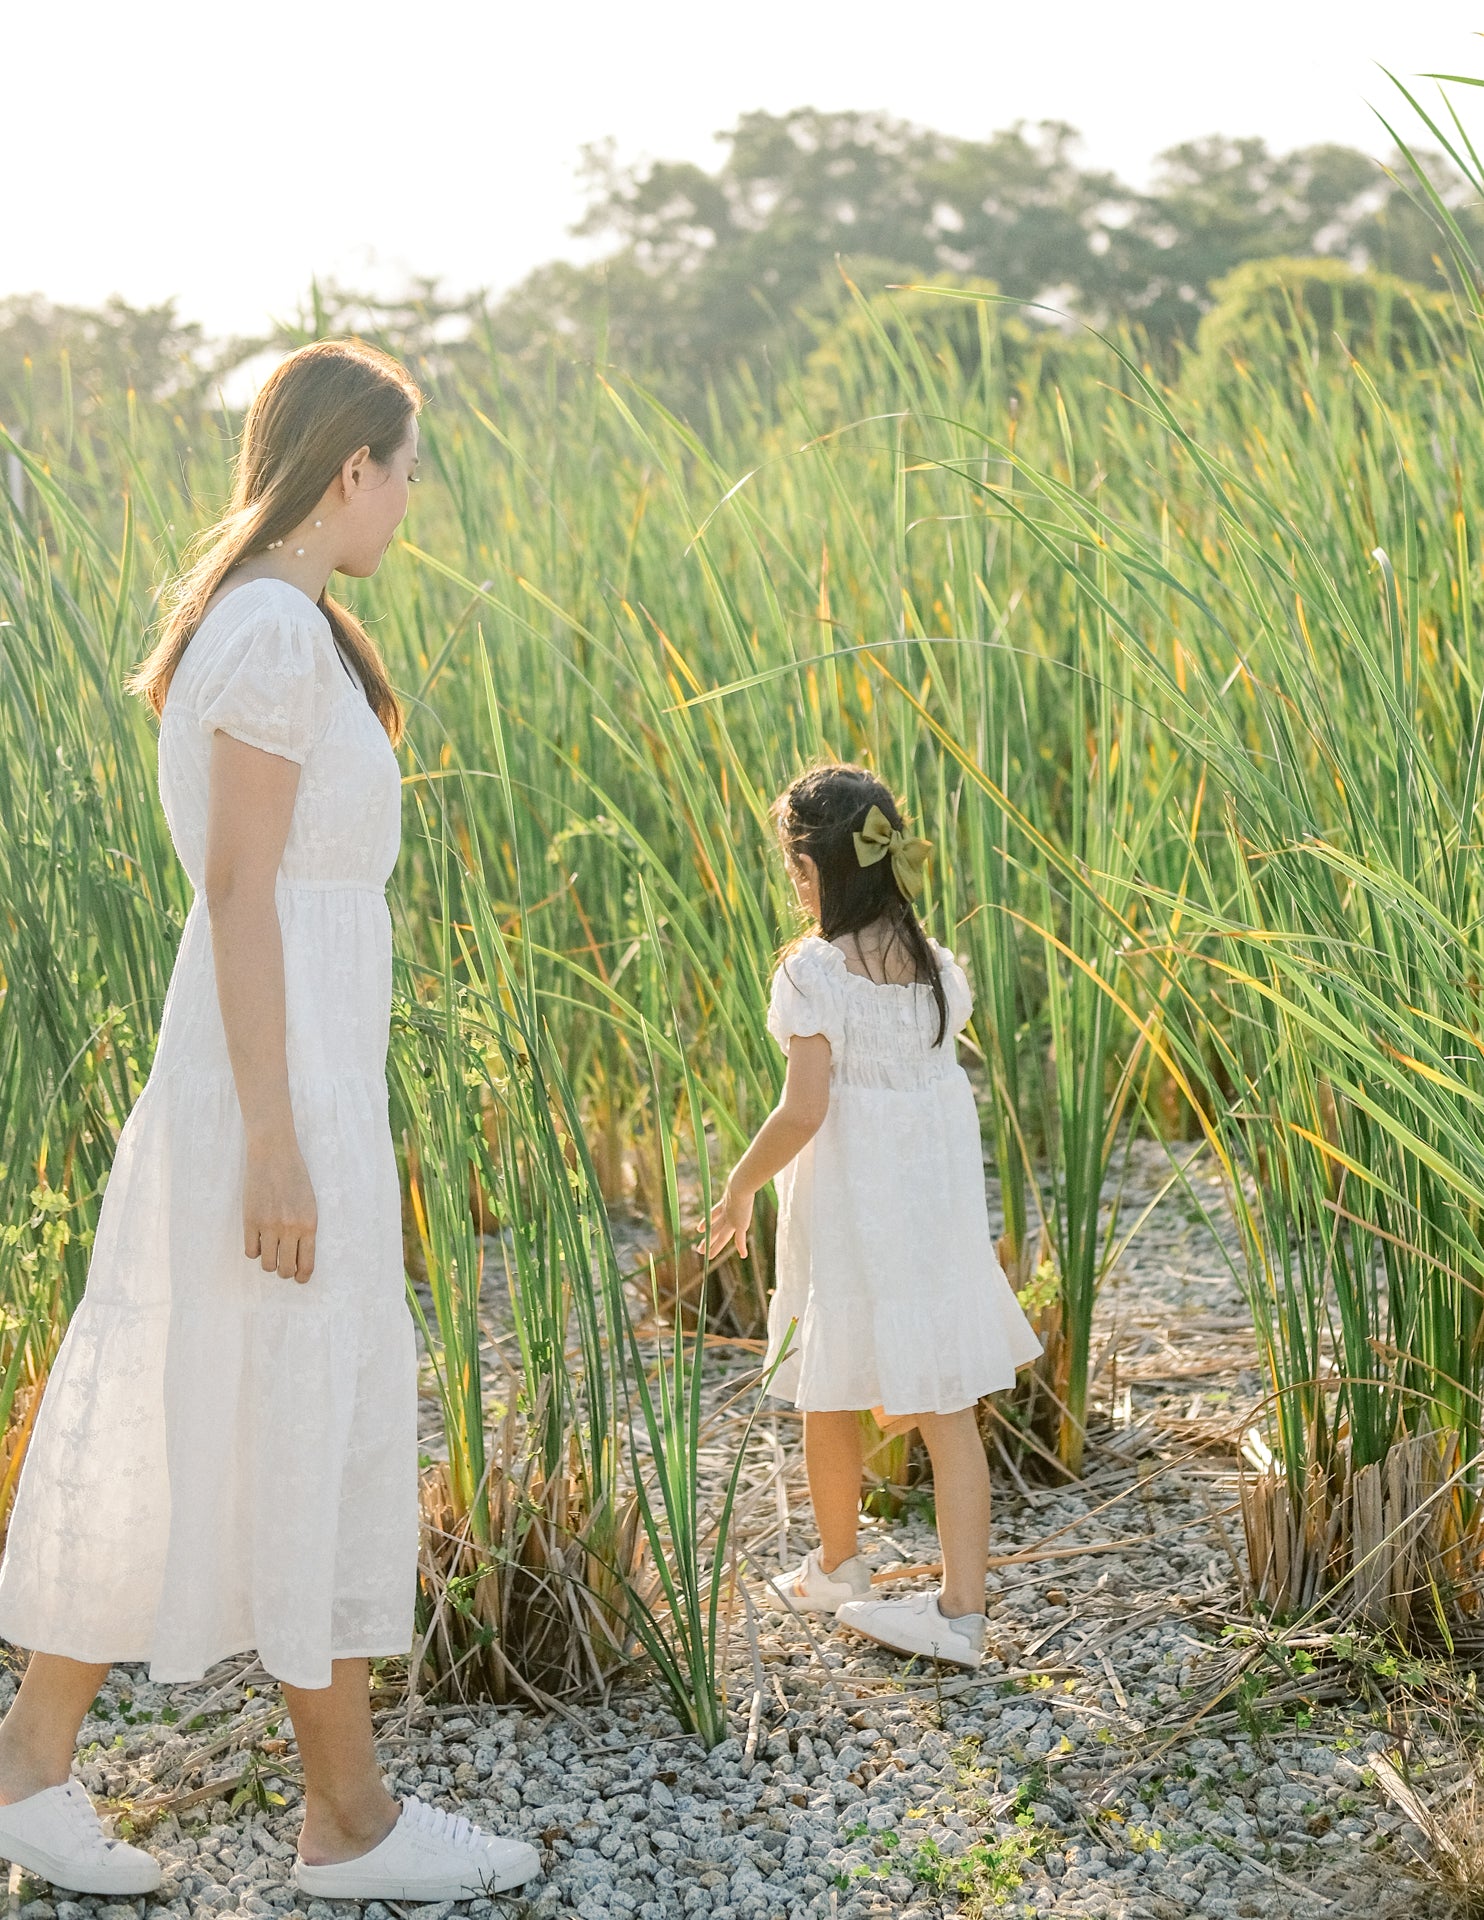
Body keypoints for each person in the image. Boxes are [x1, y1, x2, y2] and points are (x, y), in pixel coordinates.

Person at [0, 340, 540, 1902]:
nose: (412, 501)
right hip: (269, 1079)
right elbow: (238, 889)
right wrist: (279, 1138)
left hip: (298, 1065)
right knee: (280, 1391)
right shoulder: (268, 638)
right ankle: (347, 1820)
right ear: (349, 470)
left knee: (228, 1394)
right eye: (406, 470)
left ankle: (39, 1762)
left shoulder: (289, 627)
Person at [702, 763, 1043, 1667]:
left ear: (816, 872)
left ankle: (841, 1564)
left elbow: (804, 1111)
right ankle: (959, 1607)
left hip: (856, 1210)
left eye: (793, 869)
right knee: (946, 1405)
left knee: (830, 1385)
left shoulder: (815, 973)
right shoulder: (937, 969)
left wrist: (739, 1183)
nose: (791, 886)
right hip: (930, 1213)